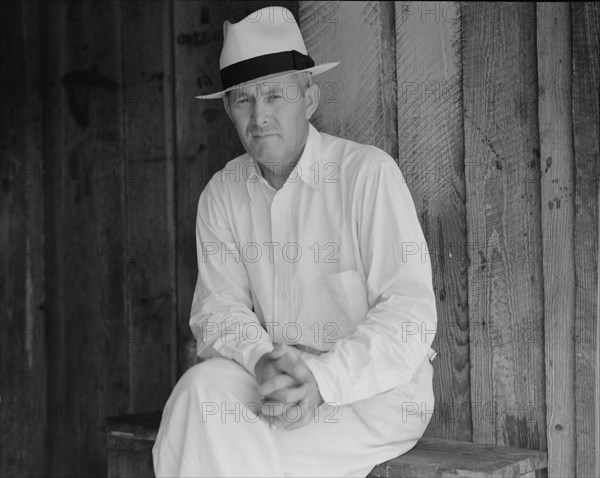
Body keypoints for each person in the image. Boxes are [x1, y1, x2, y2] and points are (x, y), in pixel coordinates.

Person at [152, 6, 437, 477]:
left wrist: (321, 379)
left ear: (309, 97)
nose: (259, 115)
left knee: (221, 453)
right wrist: (264, 362)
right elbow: (218, 311)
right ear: (227, 109)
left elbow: (408, 314)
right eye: (242, 99)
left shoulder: (366, 175)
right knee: (196, 392)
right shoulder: (223, 194)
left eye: (274, 94)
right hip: (272, 383)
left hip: (368, 395)